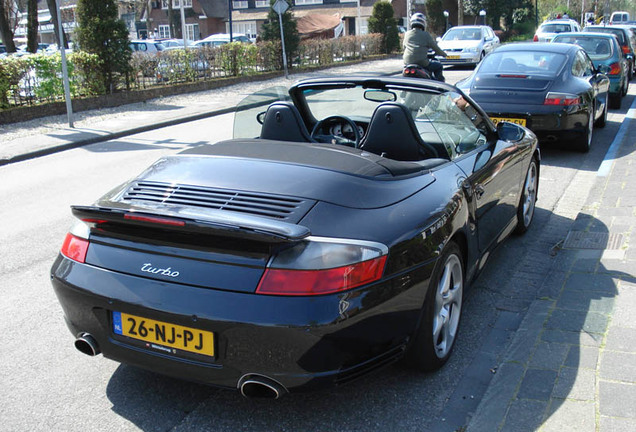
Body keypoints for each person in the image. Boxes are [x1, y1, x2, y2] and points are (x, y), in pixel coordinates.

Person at [402, 13, 447, 82]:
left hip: (408, 62)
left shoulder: (407, 34)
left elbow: (404, 46)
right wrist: (444, 54)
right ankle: (440, 85)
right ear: (423, 23)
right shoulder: (426, 35)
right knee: (438, 66)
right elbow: (436, 48)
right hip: (422, 62)